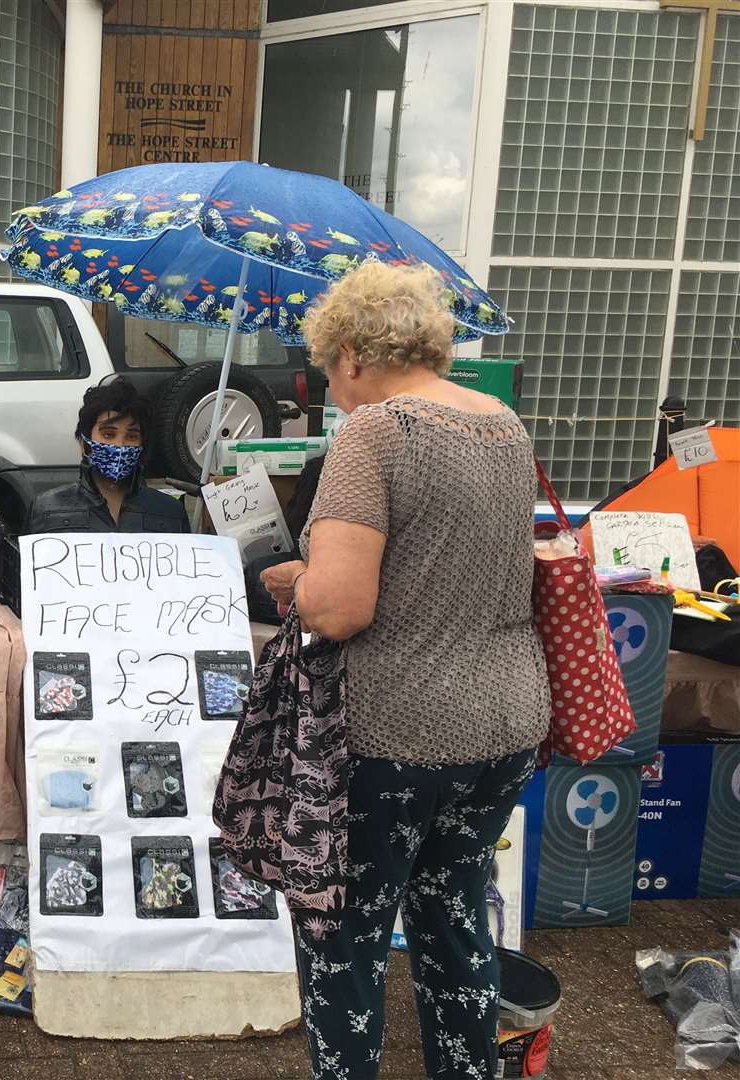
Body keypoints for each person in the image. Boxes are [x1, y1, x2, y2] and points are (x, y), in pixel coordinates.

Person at [257, 261, 549, 1080]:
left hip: (398, 731)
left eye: (328, 374)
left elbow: (343, 607)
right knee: (454, 918)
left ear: (351, 352)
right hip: (504, 725)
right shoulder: (502, 422)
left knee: (343, 935)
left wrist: (298, 582)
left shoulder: (376, 434)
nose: (333, 395)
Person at [25, 377, 187, 534]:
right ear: (84, 444)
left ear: (142, 445)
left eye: (131, 436)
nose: (120, 445)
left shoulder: (170, 512)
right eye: (108, 435)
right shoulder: (46, 509)